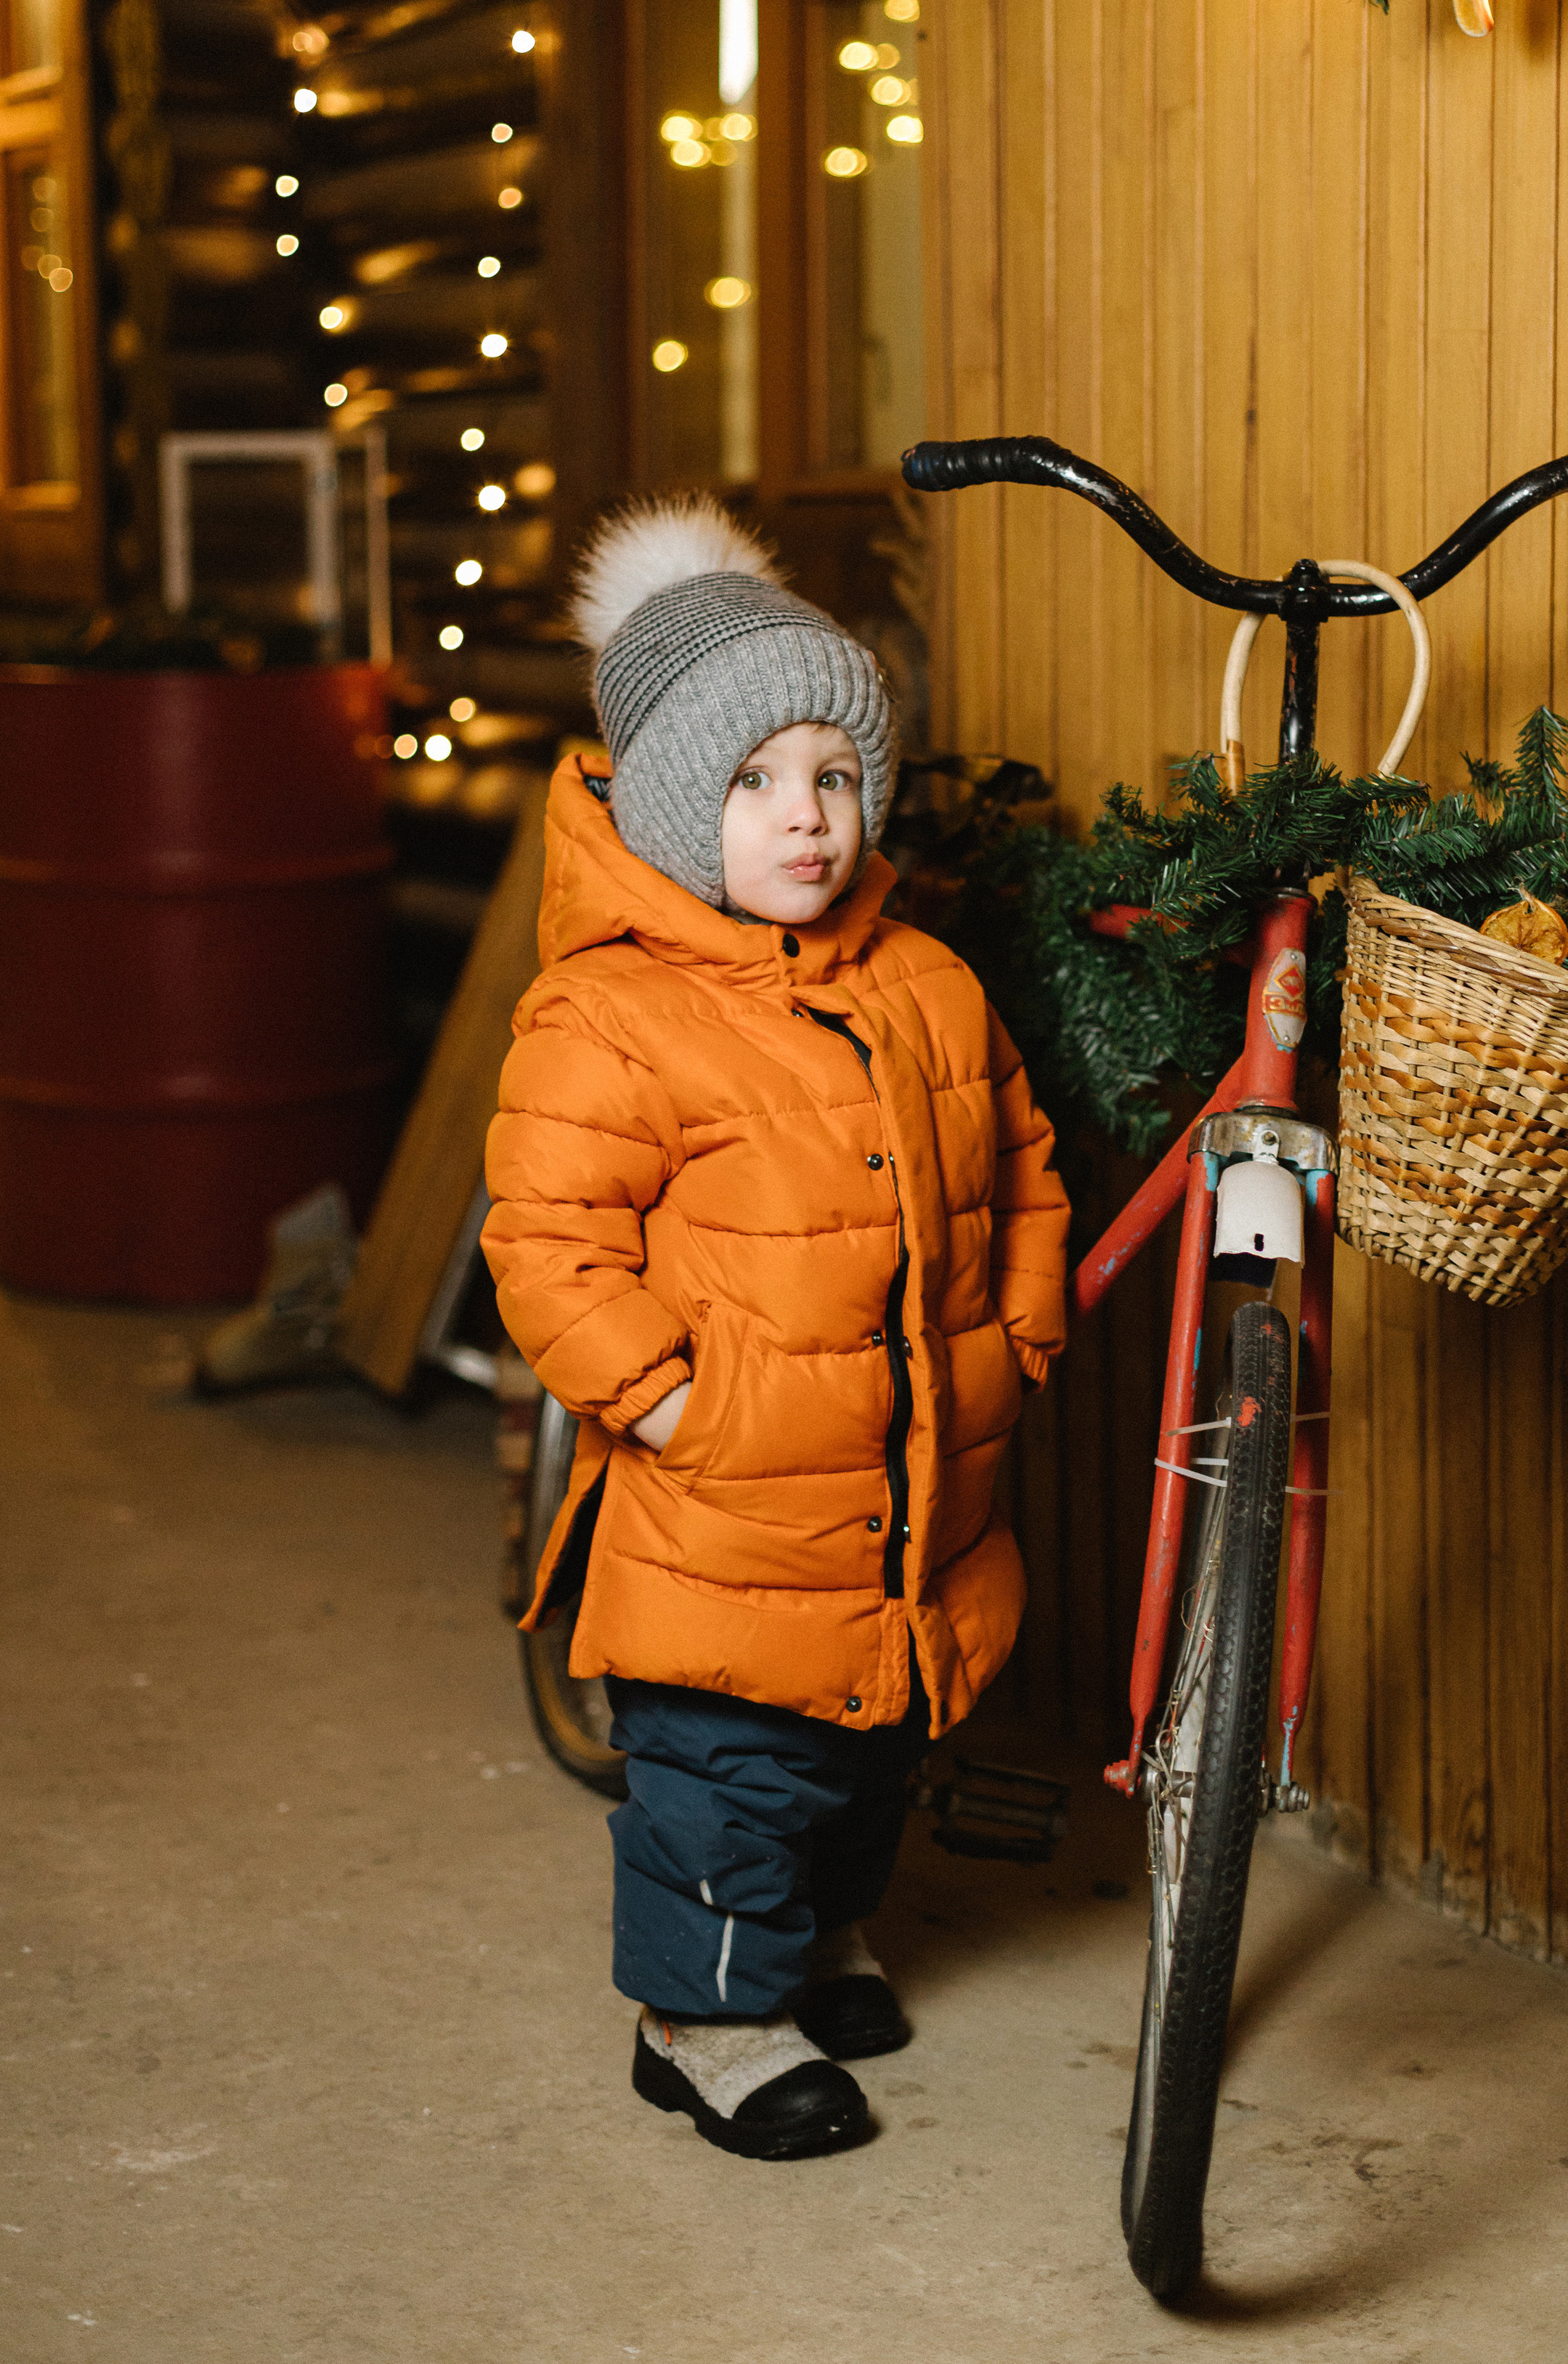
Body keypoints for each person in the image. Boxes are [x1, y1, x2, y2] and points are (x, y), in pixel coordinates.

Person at [482, 496, 1069, 2163]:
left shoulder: (924, 981)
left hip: (907, 1499)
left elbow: (1014, 1159)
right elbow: (550, 1244)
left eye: (830, 774)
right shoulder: (609, 1016)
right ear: (676, 804)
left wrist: (1018, 1327)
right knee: (730, 1778)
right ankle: (704, 2024)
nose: (804, 818)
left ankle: (812, 1940)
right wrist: (672, 1406)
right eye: (751, 783)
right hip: (725, 1504)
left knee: (863, 1754)